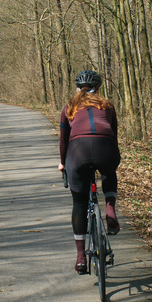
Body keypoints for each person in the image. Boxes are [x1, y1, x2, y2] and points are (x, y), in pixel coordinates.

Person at [58, 69, 121, 274]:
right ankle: (110, 210)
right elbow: (113, 134)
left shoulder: (69, 108)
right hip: (106, 150)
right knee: (109, 172)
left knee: (79, 203)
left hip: (78, 152)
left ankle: (80, 258)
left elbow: (63, 141)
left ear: (77, 89)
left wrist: (62, 163)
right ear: (99, 88)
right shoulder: (108, 106)